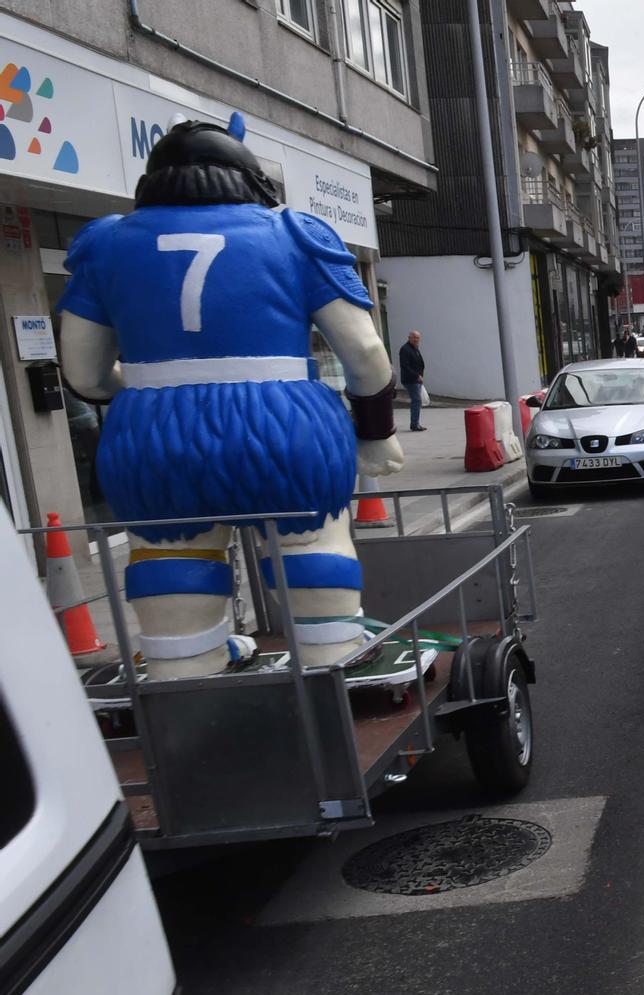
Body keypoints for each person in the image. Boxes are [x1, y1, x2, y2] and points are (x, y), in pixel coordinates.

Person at [56, 115, 403, 677]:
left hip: (155, 438)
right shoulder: (295, 233)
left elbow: (84, 374)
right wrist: (376, 431)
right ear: (249, 177)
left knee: (172, 554)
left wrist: (145, 396)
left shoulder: (105, 242)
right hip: (283, 425)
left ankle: (185, 668)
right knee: (308, 545)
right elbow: (364, 354)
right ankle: (331, 656)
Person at [399, 329, 426, 431]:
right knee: (416, 400)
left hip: (416, 379)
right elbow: (405, 366)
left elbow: (419, 363)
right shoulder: (405, 349)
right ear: (409, 338)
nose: (416, 339)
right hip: (410, 380)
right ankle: (414, 424)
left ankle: (415, 423)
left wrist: (420, 375)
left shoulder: (415, 348)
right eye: (414, 337)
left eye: (418, 338)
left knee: (417, 400)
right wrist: (417, 375)